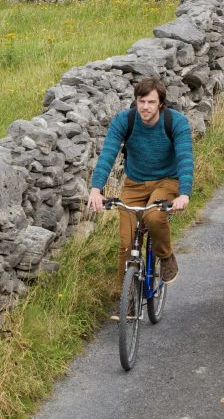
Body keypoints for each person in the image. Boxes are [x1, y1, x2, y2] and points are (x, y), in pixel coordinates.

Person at [87, 77, 194, 297]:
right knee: (126, 245)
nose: (145, 107)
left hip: (166, 181)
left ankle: (165, 257)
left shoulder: (176, 122)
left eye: (151, 102)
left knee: (154, 217)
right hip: (134, 183)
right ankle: (127, 301)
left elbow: (184, 158)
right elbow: (107, 154)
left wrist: (183, 194)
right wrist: (96, 189)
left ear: (161, 103)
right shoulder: (123, 121)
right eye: (141, 101)